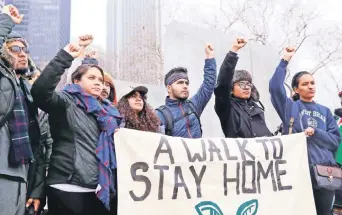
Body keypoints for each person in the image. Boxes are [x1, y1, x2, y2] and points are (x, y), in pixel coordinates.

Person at [31, 35, 122, 215]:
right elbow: (40, 91)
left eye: (101, 80)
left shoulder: (107, 114)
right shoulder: (66, 102)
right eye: (92, 78)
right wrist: (66, 56)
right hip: (67, 187)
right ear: (76, 81)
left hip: (97, 190)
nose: (98, 82)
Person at [269, 47, 341, 215]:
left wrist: (315, 132)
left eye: (312, 83)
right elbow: (274, 88)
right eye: (305, 84)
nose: (310, 86)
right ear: (296, 89)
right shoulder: (290, 107)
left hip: (324, 174)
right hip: (298, 171)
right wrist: (284, 60)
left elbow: (335, 140)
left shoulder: (325, 111)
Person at [0, 4, 45, 214]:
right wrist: (7, 20)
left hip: (22, 176)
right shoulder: (3, 80)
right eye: (14, 49)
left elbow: (40, 142)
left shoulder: (28, 92)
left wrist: (37, 189)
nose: (22, 53)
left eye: (24, 49)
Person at [214, 37, 272, 138]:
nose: (246, 87)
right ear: (231, 88)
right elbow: (223, 83)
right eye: (241, 84)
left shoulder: (257, 108)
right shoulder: (227, 107)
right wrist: (233, 52)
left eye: (249, 84)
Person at [156, 44, 217, 138]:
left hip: (198, 153)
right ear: (169, 88)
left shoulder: (193, 105)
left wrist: (210, 58)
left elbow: (208, 84)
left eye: (186, 83)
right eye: (180, 83)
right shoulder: (160, 115)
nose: (185, 86)